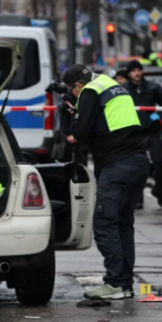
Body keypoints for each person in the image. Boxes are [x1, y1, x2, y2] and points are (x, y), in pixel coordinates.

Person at [63, 64, 149, 300]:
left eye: (71, 90)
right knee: (122, 224)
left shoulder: (90, 91)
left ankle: (115, 284)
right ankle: (125, 284)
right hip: (138, 161)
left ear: (77, 85)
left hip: (118, 164)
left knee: (104, 221)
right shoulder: (112, 85)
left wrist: (74, 112)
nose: (71, 94)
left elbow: (79, 133)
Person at [123, 60, 162, 209]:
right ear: (129, 73)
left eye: (139, 70)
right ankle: (138, 199)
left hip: (152, 130)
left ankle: (159, 191)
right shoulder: (123, 89)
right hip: (134, 133)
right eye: (133, 71)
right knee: (136, 167)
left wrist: (158, 115)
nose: (137, 73)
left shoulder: (153, 87)